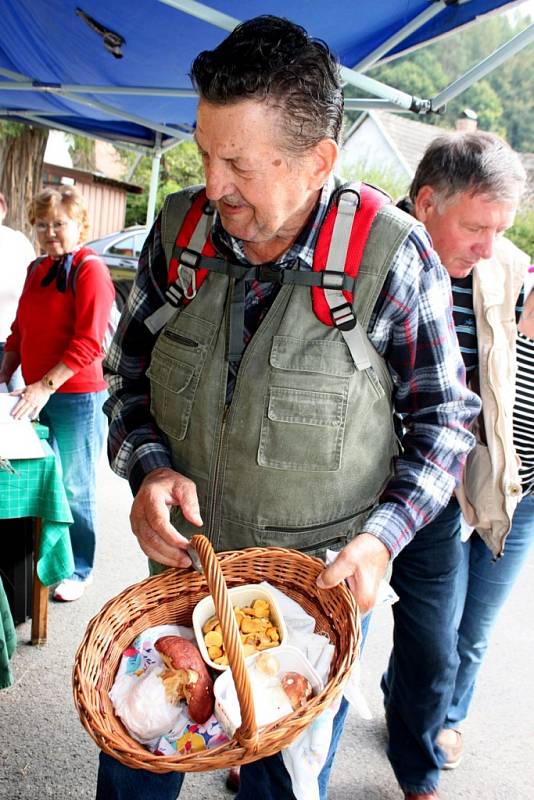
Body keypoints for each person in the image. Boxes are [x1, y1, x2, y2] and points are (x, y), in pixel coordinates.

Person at [100, 16, 479, 800]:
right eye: (205, 152)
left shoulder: (392, 260)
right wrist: (148, 468)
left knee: (279, 784)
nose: (213, 185)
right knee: (135, 763)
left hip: (312, 609)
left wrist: (381, 542)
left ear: (319, 161)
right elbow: (127, 374)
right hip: (181, 583)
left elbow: (444, 425)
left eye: (238, 161)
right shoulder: (177, 235)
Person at [380, 131, 528, 791]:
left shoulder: (502, 270)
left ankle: (418, 772)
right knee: (310, 626)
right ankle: (269, 745)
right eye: (476, 226)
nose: (488, 246)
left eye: (501, 230)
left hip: (435, 491)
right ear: (426, 201)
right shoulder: (365, 253)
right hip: (347, 488)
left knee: (437, 646)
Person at [0, 186, 115, 602]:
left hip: (75, 395)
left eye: (59, 224)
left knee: (75, 484)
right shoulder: (36, 269)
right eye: (43, 224)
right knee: (37, 478)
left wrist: (44, 387)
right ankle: (41, 557)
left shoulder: (90, 270)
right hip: (32, 392)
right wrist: (6, 371)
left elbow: (90, 343)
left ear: (80, 225)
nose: (50, 232)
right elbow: (20, 330)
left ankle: (79, 567)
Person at [439, 267, 534, 762]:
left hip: (525, 503)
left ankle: (449, 718)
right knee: (441, 623)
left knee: (474, 630)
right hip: (466, 483)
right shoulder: (505, 291)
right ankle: (412, 697)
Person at [0, 191, 35, 390]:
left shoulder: (18, 242)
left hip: (12, 342)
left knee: (16, 406)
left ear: (3, 210)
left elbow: (33, 287)